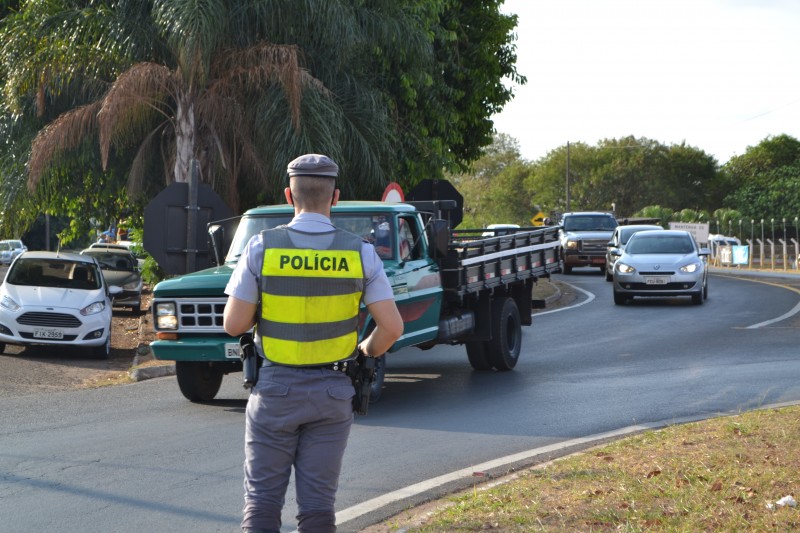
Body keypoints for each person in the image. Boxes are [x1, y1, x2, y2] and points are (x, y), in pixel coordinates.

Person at [223, 153, 403, 533]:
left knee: (262, 501)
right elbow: (392, 328)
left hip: (274, 392)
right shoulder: (361, 253)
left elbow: (234, 324)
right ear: (334, 198)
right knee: (319, 506)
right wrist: (365, 352)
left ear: (289, 196)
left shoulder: (261, 247)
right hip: (333, 394)